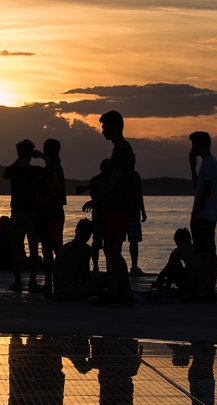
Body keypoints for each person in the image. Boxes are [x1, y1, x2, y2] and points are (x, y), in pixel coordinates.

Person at [76, 110, 136, 305]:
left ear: (113, 126)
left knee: (111, 250)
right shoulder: (117, 150)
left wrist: (95, 200)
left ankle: (114, 293)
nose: (102, 131)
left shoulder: (123, 150)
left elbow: (115, 180)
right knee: (112, 250)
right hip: (112, 207)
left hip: (117, 208)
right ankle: (124, 292)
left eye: (104, 127)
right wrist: (88, 187)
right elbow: (107, 179)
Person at [4, 139, 43, 292]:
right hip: (32, 213)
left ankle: (18, 281)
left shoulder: (13, 170)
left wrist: (18, 159)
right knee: (34, 248)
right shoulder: (37, 171)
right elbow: (51, 169)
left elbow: (6, 174)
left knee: (17, 248)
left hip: (17, 212)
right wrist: (41, 156)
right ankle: (32, 281)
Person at [188, 131, 217, 300]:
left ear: (203, 145)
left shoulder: (208, 163)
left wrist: (196, 212)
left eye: (195, 145)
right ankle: (209, 289)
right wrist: (192, 167)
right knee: (210, 252)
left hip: (203, 215)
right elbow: (198, 186)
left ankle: (202, 290)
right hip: (210, 215)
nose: (193, 148)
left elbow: (206, 190)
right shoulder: (209, 164)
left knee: (204, 253)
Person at [34, 138, 67, 298]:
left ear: (47, 150)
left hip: (51, 214)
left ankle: (53, 283)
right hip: (53, 214)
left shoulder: (52, 170)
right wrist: (41, 156)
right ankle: (53, 283)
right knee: (51, 249)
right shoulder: (55, 166)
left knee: (53, 250)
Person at [53, 218, 109, 301]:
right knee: (109, 276)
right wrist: (97, 280)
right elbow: (85, 274)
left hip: (57, 292)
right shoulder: (84, 248)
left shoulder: (65, 247)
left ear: (76, 230)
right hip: (70, 292)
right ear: (90, 234)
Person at [151, 228, 202, 297]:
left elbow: (165, 271)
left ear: (179, 241)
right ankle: (166, 286)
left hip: (190, 287)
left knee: (174, 263)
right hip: (203, 287)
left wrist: (158, 282)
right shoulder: (198, 248)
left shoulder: (178, 251)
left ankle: (167, 288)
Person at [87, 158, 111, 273]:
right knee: (108, 241)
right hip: (105, 212)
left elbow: (92, 195)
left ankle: (96, 267)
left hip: (97, 212)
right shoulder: (110, 180)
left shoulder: (94, 180)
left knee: (96, 241)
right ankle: (107, 266)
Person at [128, 170, 148, 276]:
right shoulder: (134, 175)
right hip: (132, 212)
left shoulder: (117, 174)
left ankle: (117, 265)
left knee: (118, 241)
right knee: (134, 241)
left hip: (119, 211)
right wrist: (143, 211)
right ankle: (134, 266)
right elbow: (138, 194)